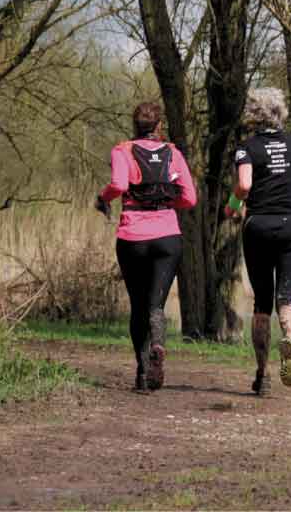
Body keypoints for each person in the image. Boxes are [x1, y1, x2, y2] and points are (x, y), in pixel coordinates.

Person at [225, 88, 291, 396]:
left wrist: (233, 205)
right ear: (281, 113)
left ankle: (262, 373)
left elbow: (244, 185)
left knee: (262, 303)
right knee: (287, 299)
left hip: (258, 225)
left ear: (255, 115)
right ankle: (288, 337)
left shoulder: (247, 148)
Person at [95, 102, 197, 393]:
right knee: (155, 305)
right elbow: (189, 199)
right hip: (168, 238)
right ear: (159, 126)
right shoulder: (173, 153)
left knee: (138, 305)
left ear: (135, 125)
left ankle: (142, 373)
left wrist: (103, 198)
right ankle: (158, 343)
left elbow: (117, 183)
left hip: (132, 238)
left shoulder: (122, 150)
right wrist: (165, 202)